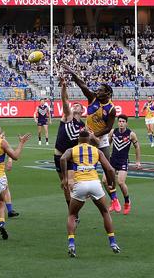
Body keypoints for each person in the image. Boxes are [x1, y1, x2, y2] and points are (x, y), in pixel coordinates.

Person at [60, 130, 120, 257]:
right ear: (89, 139)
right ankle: (113, 242)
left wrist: (65, 178)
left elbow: (63, 158)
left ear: (78, 139)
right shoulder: (96, 151)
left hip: (80, 185)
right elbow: (109, 169)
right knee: (105, 212)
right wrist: (112, 184)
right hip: (94, 184)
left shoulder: (72, 150)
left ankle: (71, 243)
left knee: (72, 214)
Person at [63, 64, 116, 158]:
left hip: (101, 137)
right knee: (84, 161)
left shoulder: (111, 109)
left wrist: (94, 135)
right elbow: (83, 86)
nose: (97, 92)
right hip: (87, 135)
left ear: (107, 94)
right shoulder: (93, 98)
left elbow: (108, 128)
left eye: (100, 91)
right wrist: (73, 74)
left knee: (107, 163)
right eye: (97, 90)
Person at [55, 76, 86, 207]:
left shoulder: (83, 126)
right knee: (64, 184)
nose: (74, 106)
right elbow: (65, 100)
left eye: (77, 105)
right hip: (59, 155)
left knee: (70, 183)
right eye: (74, 105)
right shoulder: (68, 117)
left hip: (71, 156)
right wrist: (63, 86)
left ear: (82, 110)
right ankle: (71, 208)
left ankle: (74, 209)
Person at [107, 115, 141, 214]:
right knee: (105, 180)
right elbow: (107, 145)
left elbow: (137, 147)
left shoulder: (131, 134)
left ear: (126, 123)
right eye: (120, 121)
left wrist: (138, 161)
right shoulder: (113, 132)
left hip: (123, 161)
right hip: (112, 160)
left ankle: (127, 202)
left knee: (121, 183)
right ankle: (114, 200)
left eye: (123, 121)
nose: (121, 123)